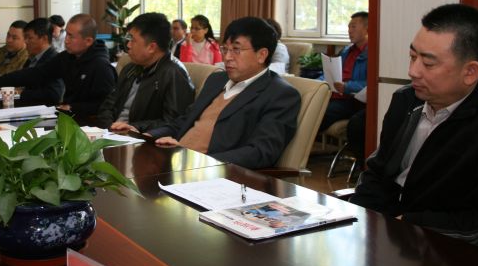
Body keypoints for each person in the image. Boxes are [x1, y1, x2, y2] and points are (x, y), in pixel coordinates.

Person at [350, 3, 478, 245]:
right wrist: (356, 219)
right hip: (389, 234)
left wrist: (410, 223)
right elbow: (378, 173)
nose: (413, 71)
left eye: (428, 63)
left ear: (470, 72)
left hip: (447, 251)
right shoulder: (406, 99)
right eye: (413, 57)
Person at [148, 16, 301, 169]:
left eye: (236, 50)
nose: (227, 57)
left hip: (212, 173)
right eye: (225, 49)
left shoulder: (280, 95)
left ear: (262, 54)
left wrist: (199, 161)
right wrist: (150, 135)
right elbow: (184, 121)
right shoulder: (216, 80)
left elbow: (260, 152)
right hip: (176, 161)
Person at [0, 14, 116, 117]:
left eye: (71, 36)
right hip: (66, 117)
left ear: (88, 41)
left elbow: (107, 106)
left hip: (89, 124)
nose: (66, 40)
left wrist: (73, 107)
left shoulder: (101, 67)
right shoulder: (67, 57)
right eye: (66, 34)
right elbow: (37, 73)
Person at [96, 12, 195, 132]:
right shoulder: (130, 68)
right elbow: (107, 106)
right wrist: (109, 127)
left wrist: (134, 128)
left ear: (151, 47)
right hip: (113, 133)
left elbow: (174, 122)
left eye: (133, 40)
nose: (128, 45)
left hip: (141, 137)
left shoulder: (174, 73)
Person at [319, 11, 368, 130]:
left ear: (367, 29)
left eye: (353, 27)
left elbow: (372, 85)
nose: (349, 31)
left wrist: (347, 86)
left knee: (317, 115)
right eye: (349, 27)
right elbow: (330, 73)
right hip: (332, 95)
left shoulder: (373, 54)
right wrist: (317, 82)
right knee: (304, 106)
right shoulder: (346, 51)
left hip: (351, 99)